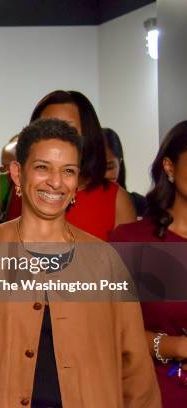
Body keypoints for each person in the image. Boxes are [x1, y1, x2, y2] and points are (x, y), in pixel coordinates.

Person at [0, 118, 161, 408]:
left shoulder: (105, 262)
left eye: (68, 171)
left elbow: (134, 366)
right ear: (18, 174)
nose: (56, 182)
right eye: (43, 167)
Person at [0, 90, 136, 240]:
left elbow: (122, 270)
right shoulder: (2, 187)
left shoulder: (116, 200)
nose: (56, 137)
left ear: (87, 135)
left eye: (68, 129)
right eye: (46, 126)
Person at [110, 120, 187, 407]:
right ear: (169, 166)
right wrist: (173, 345)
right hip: (155, 393)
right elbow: (106, 328)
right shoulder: (131, 241)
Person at [103, 127, 147, 217]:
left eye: (109, 167)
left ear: (120, 162)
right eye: (96, 168)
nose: (103, 175)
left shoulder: (140, 205)